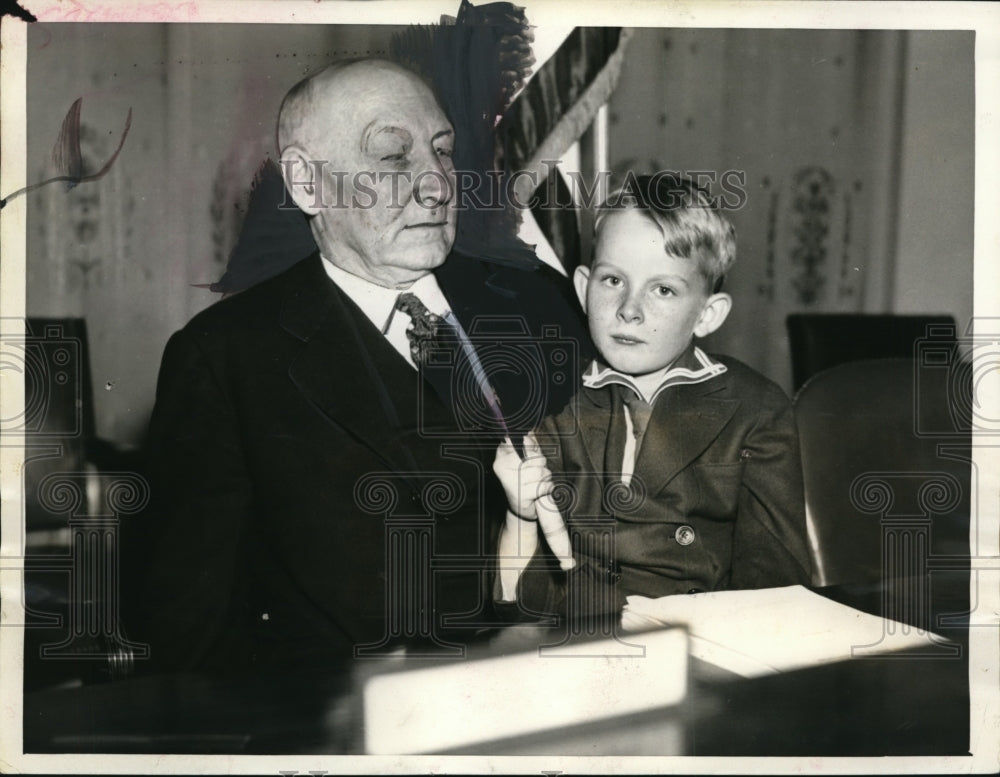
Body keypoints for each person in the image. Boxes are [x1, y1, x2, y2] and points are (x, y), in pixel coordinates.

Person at [137, 59, 591, 674]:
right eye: (392, 158)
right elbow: (187, 632)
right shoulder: (226, 359)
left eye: (443, 151)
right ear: (306, 183)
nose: (436, 184)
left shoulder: (540, 298)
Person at [493, 174, 812, 621]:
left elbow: (777, 586)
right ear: (583, 287)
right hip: (577, 649)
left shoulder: (754, 409)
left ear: (708, 314)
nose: (629, 309)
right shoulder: (551, 397)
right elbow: (520, 605)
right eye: (612, 281)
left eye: (662, 289)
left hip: (701, 648)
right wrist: (520, 515)